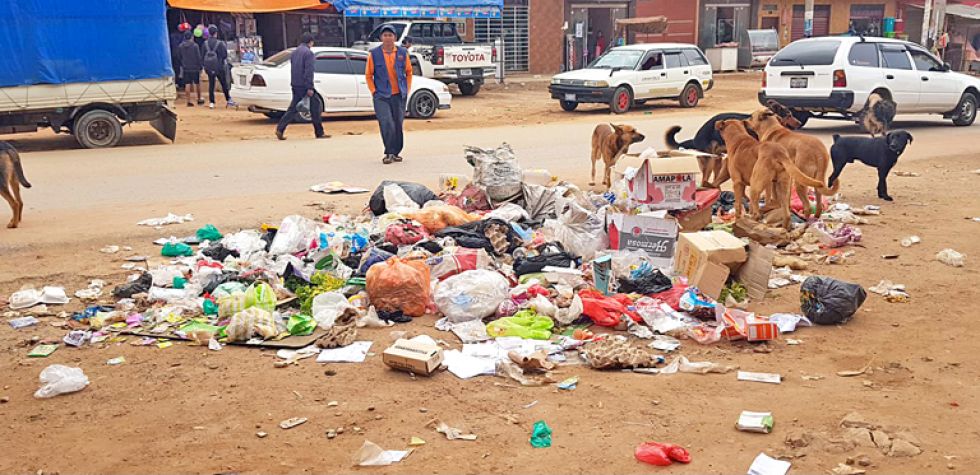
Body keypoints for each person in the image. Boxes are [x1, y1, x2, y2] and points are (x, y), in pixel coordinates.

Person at [366, 24, 413, 164]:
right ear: (381, 38)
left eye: (390, 35)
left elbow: (409, 72)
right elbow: (368, 75)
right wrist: (374, 91)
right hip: (381, 96)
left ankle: (396, 151)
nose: (387, 38)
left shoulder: (402, 53)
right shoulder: (374, 54)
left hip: (398, 95)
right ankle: (388, 153)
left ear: (395, 38)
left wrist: (407, 88)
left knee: (398, 124)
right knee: (387, 123)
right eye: (385, 35)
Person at [276, 33, 326, 140]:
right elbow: (309, 71)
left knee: (294, 108)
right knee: (315, 106)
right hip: (304, 85)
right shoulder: (309, 54)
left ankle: (280, 128)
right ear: (310, 42)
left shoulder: (295, 52)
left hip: (295, 83)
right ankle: (319, 132)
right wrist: (309, 87)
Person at [201, 25, 237, 109]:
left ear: (209, 33)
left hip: (209, 67)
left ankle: (212, 102)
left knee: (211, 84)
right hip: (219, 66)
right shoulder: (220, 43)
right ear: (216, 33)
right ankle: (228, 99)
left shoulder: (205, 43)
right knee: (223, 83)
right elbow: (224, 55)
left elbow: (202, 55)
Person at [177, 31, 204, 106]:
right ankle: (199, 99)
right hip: (195, 67)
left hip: (185, 67)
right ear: (192, 37)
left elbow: (179, 57)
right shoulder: (195, 46)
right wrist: (200, 66)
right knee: (197, 83)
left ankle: (188, 101)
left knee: (187, 84)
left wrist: (183, 63)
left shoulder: (180, 46)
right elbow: (198, 57)